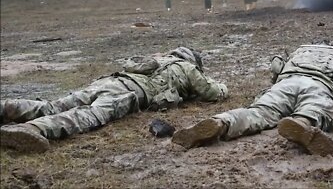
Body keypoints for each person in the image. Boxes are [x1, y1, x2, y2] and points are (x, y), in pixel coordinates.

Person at [0, 47, 228, 153]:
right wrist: (223, 87)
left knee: (54, 105)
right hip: (126, 92)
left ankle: (7, 108)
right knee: (87, 115)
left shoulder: (158, 59)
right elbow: (211, 92)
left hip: (108, 81)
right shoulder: (186, 67)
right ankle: (35, 129)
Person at [172, 44, 333, 156]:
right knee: (317, 108)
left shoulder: (299, 52)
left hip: (287, 82)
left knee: (257, 112)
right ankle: (302, 122)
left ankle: (222, 122)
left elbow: (276, 69)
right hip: (320, 85)